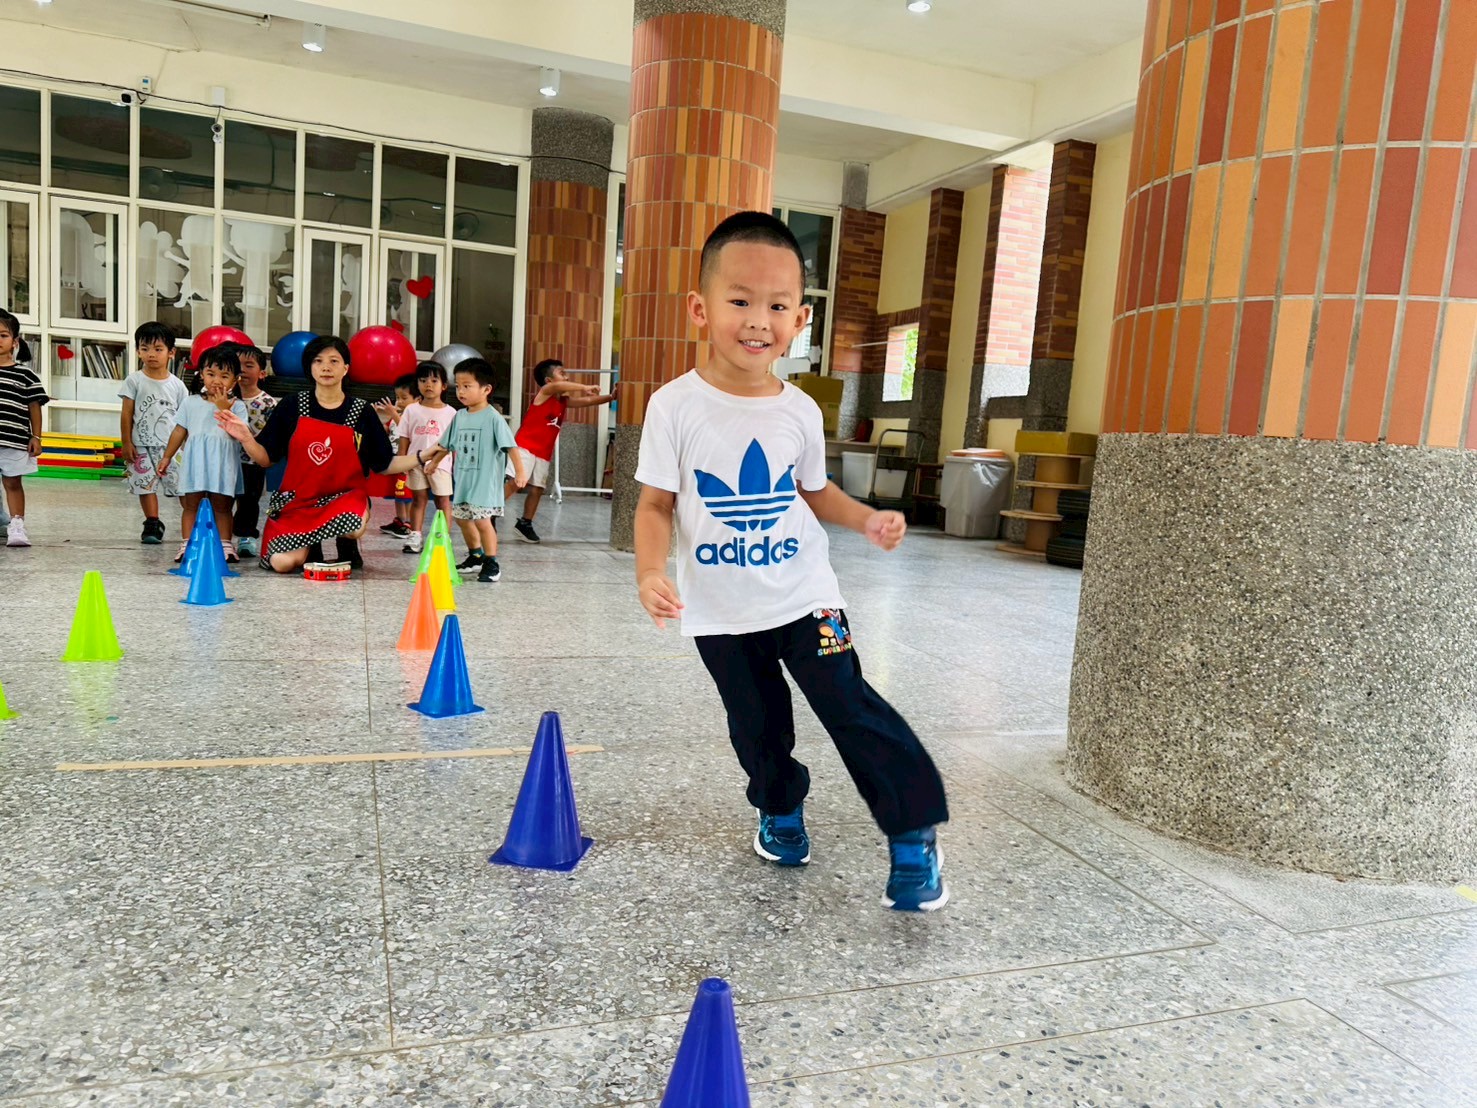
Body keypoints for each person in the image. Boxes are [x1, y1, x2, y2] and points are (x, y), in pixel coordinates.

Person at [633, 211, 950, 912]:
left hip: (807, 596)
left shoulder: (800, 410)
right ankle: (778, 809)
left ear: (800, 319)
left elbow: (814, 491)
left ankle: (912, 831)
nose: (758, 320)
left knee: (849, 704)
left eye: (777, 306)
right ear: (700, 308)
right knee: (756, 723)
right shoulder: (673, 406)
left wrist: (864, 517)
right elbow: (655, 504)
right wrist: (649, 571)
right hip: (719, 610)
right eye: (739, 300)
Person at [215, 335, 424, 573]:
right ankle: (310, 547)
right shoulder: (291, 405)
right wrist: (246, 437)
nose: (326, 367)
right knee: (281, 564)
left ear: (345, 368)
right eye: (318, 361)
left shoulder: (361, 411)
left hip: (344, 498)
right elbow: (265, 458)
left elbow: (384, 464)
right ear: (310, 367)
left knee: (352, 525)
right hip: (299, 503)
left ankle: (347, 547)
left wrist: (423, 456)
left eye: (334, 361)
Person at [418, 359, 527, 583]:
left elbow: (511, 447)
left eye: (467, 386)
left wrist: (520, 472)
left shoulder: (493, 418)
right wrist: (435, 462)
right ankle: (476, 556)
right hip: (465, 480)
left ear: (486, 389)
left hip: (485, 483)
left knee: (482, 521)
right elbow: (447, 444)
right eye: (458, 386)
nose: (461, 391)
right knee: (462, 519)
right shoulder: (460, 416)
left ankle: (492, 563)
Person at [504, 358, 614, 543]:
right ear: (548, 381)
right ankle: (490, 513)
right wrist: (584, 386)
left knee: (537, 489)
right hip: (525, 447)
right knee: (516, 483)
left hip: (543, 452)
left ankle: (525, 523)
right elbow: (560, 387)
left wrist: (611, 397)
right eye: (562, 374)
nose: (567, 377)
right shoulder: (544, 393)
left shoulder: (563, 401)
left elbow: (588, 400)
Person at [157, 344, 248, 563]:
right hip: (195, 462)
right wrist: (167, 456)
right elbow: (179, 431)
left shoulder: (237, 406)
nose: (216, 380)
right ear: (201, 375)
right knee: (191, 504)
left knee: (223, 506)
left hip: (223, 463)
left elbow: (240, 434)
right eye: (211, 374)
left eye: (224, 376)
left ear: (235, 381)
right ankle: (188, 544)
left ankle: (225, 545)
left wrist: (223, 408)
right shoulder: (190, 402)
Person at [121, 322, 188, 544]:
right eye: (145, 348)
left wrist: (187, 446)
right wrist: (126, 443)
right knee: (145, 485)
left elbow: (185, 419)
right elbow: (126, 413)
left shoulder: (177, 385)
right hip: (140, 445)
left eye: (158, 349)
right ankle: (152, 522)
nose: (151, 354)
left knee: (181, 486)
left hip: (171, 447)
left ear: (171, 352)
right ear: (138, 351)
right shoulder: (134, 380)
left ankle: (193, 521)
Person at [396, 361, 455, 555]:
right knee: (418, 499)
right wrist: (402, 461)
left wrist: (448, 463)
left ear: (444, 385)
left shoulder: (451, 413)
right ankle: (415, 536)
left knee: (443, 501)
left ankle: (442, 537)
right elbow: (404, 437)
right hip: (415, 462)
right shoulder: (411, 410)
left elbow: (452, 443)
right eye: (423, 380)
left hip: (441, 464)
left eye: (434, 380)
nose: (428, 384)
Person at [0, 309, 46, 549]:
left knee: (13, 483)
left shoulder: (26, 375)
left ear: (15, 341)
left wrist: (36, 436)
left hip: (14, 441)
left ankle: (17, 525)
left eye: (3, 335)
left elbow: (34, 408)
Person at [232, 342, 278, 559]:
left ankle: (246, 535)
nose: (242, 369)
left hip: (253, 462)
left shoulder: (268, 403)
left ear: (262, 373)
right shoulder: (226, 398)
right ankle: (222, 535)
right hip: (226, 459)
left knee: (249, 500)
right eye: (238, 364)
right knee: (222, 498)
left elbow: (272, 435)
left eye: (249, 365)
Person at [375, 374, 418, 539]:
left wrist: (393, 414)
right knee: (398, 493)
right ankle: (400, 520)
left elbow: (408, 431)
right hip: (394, 459)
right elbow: (387, 431)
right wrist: (378, 418)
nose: (399, 402)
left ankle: (409, 523)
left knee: (407, 493)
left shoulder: (414, 415)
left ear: (417, 399)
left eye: (404, 398)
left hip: (407, 461)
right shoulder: (397, 414)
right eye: (397, 397)